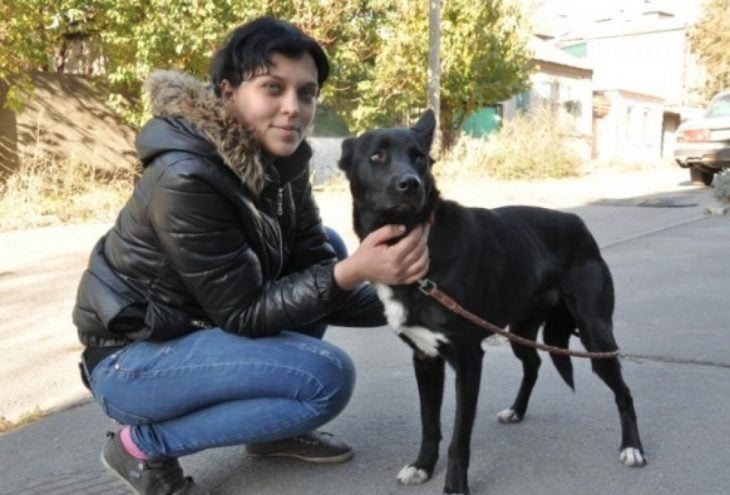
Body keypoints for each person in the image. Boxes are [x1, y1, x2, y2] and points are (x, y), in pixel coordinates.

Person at [72, 16, 429, 495]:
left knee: (329, 248)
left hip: (200, 329)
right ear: (227, 92)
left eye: (306, 93)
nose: (292, 109)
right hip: (133, 360)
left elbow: (317, 274)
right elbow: (244, 311)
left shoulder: (284, 164)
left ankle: (272, 433)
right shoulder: (184, 177)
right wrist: (351, 273)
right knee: (326, 377)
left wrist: (429, 299)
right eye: (272, 88)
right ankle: (143, 445)